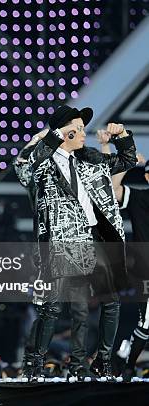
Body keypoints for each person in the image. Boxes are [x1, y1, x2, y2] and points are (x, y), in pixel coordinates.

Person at [25, 105, 136, 378]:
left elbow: (127, 160)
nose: (83, 132)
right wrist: (54, 135)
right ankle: (36, 363)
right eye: (78, 128)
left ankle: (104, 362)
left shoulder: (91, 158)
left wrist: (122, 135)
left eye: (83, 127)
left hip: (95, 237)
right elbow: (28, 168)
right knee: (53, 306)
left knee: (111, 302)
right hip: (64, 240)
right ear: (64, 132)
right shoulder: (44, 163)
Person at [98, 130, 149, 381]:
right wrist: (126, 160)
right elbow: (111, 189)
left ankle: (124, 358)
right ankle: (127, 366)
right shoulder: (141, 198)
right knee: (148, 322)